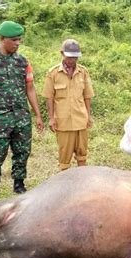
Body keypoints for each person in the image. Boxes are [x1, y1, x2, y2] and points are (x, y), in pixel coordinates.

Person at [0, 21, 44, 199]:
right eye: (14, 40)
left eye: (19, 39)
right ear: (2, 39)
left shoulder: (22, 61)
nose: (18, 43)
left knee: (22, 151)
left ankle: (19, 184)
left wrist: (38, 114)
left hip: (21, 117)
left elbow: (30, 88)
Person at [42, 39, 95, 171]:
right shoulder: (53, 73)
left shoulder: (83, 72)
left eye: (75, 57)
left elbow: (87, 96)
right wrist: (52, 118)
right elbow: (49, 97)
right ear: (62, 53)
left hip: (81, 121)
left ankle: (81, 181)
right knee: (64, 159)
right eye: (69, 57)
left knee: (82, 155)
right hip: (63, 122)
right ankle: (65, 186)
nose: (72, 60)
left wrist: (88, 116)